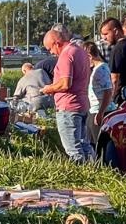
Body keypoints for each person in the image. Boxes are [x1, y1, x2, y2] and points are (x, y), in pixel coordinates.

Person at [40, 27, 94, 161]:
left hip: (68, 107)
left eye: (50, 49)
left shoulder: (66, 55)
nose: (51, 53)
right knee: (84, 145)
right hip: (82, 103)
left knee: (73, 149)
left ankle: (81, 177)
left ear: (56, 43)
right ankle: (94, 170)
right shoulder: (80, 51)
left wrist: (49, 88)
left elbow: (65, 83)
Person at [83, 39, 113, 143]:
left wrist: (101, 112)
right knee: (91, 142)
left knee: (97, 143)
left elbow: (108, 91)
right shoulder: (96, 69)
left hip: (100, 111)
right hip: (94, 110)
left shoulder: (101, 70)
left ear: (89, 56)